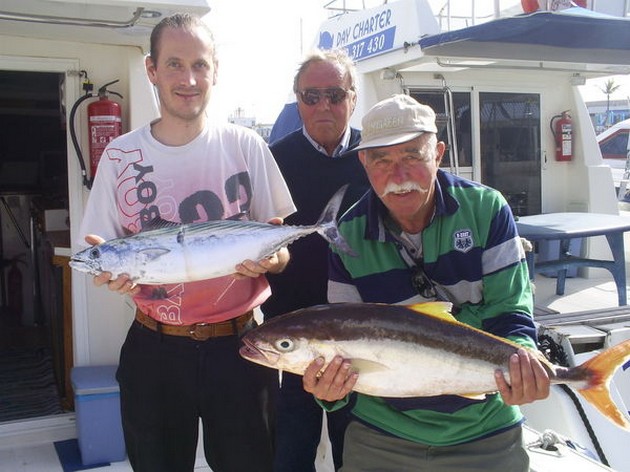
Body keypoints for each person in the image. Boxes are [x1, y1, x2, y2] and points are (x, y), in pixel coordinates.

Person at [77, 13, 296, 472]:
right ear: (151, 69)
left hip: (241, 347)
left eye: (200, 64)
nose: (189, 79)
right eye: (174, 64)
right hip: (153, 349)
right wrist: (109, 274)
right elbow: (103, 246)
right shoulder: (120, 156)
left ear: (215, 70)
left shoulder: (247, 146)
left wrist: (271, 258)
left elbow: (280, 251)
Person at [302, 94, 551, 472]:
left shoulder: (487, 210)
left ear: (438, 153)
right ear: (364, 163)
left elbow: (510, 314)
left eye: (412, 157)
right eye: (382, 161)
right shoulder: (347, 236)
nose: (398, 178)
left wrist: (523, 364)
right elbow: (342, 337)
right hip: (380, 436)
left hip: (487, 431)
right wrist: (330, 394)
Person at [261, 48, 369, 472]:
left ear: (353, 99)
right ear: (297, 99)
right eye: (311, 96)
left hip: (359, 334)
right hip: (288, 334)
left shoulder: (376, 157)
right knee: (289, 453)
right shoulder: (272, 160)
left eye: (335, 95)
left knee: (357, 453)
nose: (323, 105)